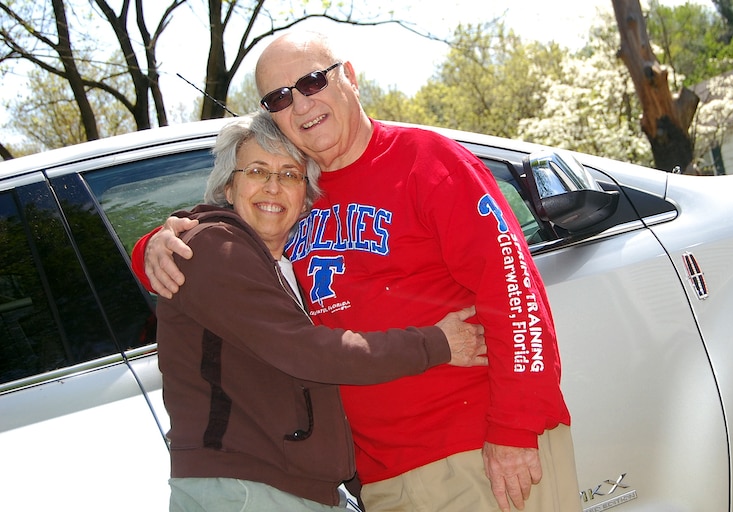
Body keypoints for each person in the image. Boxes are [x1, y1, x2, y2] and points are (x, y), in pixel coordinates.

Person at [134, 31, 581, 512]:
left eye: (311, 81)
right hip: (381, 480)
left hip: (476, 452)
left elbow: (515, 292)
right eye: (280, 97)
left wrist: (515, 429)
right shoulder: (299, 198)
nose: (301, 105)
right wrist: (153, 247)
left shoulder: (427, 162)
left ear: (349, 76)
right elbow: (226, 250)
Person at [155, 111, 487, 512]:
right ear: (229, 186)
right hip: (245, 489)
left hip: (296, 487)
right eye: (258, 171)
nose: (273, 188)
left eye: (290, 175)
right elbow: (308, 352)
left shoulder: (287, 266)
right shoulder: (211, 248)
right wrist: (435, 344)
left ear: (306, 196)